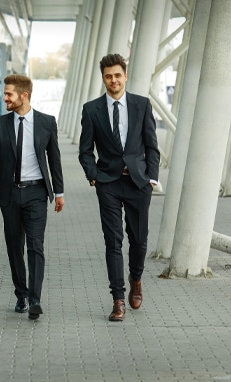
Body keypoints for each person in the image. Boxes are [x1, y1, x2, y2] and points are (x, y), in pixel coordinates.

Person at [78, 53, 160, 321]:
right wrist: (94, 177)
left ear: (125, 75)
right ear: (103, 78)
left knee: (139, 239)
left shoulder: (142, 105)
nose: (113, 80)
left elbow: (152, 147)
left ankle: (136, 278)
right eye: (108, 76)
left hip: (138, 183)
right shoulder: (92, 109)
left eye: (117, 75)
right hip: (109, 183)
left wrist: (151, 177)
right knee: (113, 241)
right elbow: (85, 151)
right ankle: (118, 299)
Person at [0, 74, 64, 320]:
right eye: (4, 93)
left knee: (35, 246)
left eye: (8, 94)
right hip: (9, 194)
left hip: (37, 192)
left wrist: (59, 192)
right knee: (15, 246)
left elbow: (55, 159)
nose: (4, 98)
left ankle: (35, 299)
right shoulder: (0, 123)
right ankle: (22, 294)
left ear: (23, 95)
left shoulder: (47, 122)